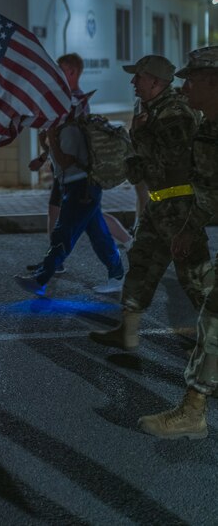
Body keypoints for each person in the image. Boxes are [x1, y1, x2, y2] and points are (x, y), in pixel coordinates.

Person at [89, 54, 212, 351]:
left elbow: (170, 165)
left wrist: (139, 136)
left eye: (139, 77)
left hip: (179, 208)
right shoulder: (151, 111)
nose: (133, 82)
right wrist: (139, 141)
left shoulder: (175, 114)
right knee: (140, 266)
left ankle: (214, 346)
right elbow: (139, 170)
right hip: (159, 206)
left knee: (196, 280)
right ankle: (127, 332)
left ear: (156, 82)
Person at [138, 47, 218, 439]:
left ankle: (193, 410)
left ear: (215, 83)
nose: (184, 88)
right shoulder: (209, 127)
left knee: (214, 316)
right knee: (213, 315)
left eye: (192, 80)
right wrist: (187, 228)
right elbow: (207, 190)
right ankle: (194, 407)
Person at [26, 52, 133, 287]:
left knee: (66, 227)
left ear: (72, 72)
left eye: (60, 69)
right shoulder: (66, 102)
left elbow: (70, 147)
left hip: (79, 178)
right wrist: (45, 154)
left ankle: (44, 274)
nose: (56, 75)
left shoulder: (76, 104)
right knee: (94, 228)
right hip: (71, 177)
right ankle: (116, 271)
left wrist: (50, 142)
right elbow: (62, 142)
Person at [14, 106, 125, 297]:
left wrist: (52, 138)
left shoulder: (70, 130)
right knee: (100, 236)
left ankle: (40, 279)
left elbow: (66, 162)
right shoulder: (64, 130)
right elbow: (60, 159)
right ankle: (117, 275)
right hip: (79, 187)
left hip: (81, 189)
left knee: (63, 233)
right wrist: (47, 145)